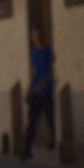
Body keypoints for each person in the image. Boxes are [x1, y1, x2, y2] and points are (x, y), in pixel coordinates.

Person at [21, 27, 56, 160]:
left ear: (40, 36)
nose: (33, 37)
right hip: (36, 92)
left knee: (50, 119)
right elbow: (34, 72)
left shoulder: (47, 50)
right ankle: (27, 149)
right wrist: (30, 89)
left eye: (35, 35)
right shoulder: (34, 52)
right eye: (32, 35)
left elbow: (51, 72)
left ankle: (52, 142)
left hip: (46, 91)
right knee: (32, 122)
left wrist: (41, 84)